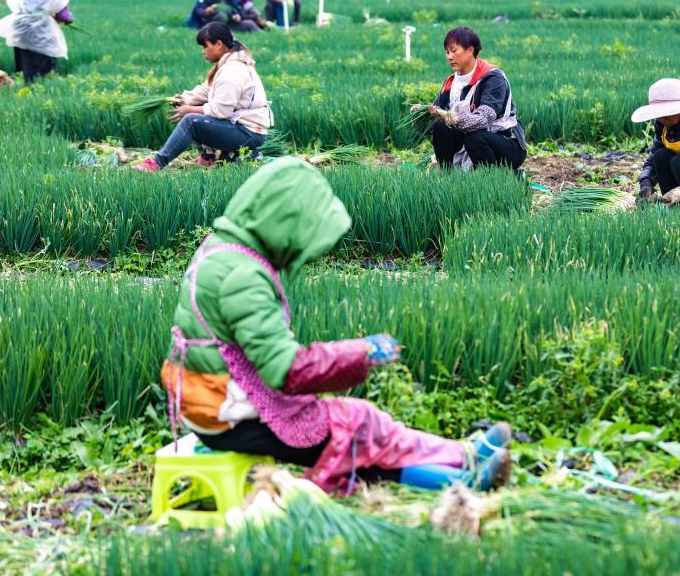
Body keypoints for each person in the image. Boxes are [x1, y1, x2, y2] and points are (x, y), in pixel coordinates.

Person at [160, 157, 514, 494]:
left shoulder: (223, 248)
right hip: (227, 416)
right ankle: (463, 478)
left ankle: (463, 456)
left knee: (360, 422)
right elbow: (286, 370)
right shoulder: (242, 277)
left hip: (212, 402)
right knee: (354, 429)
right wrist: (361, 352)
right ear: (281, 221)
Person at [133, 23, 271, 172]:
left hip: (248, 132)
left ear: (219, 44)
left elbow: (221, 111)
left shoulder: (232, 70)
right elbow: (207, 90)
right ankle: (209, 157)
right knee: (197, 108)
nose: (203, 51)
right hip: (241, 127)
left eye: (205, 46)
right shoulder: (228, 65)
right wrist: (185, 99)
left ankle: (157, 163)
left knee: (191, 121)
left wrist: (189, 110)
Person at [416, 27, 526, 173]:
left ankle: (495, 178)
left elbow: (484, 119)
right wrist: (421, 115)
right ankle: (446, 175)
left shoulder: (493, 78)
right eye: (447, 52)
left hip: (505, 143)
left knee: (475, 138)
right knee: (440, 127)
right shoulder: (451, 83)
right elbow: (434, 122)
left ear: (470, 50)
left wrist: (451, 118)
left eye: (454, 51)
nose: (449, 57)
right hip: (469, 144)